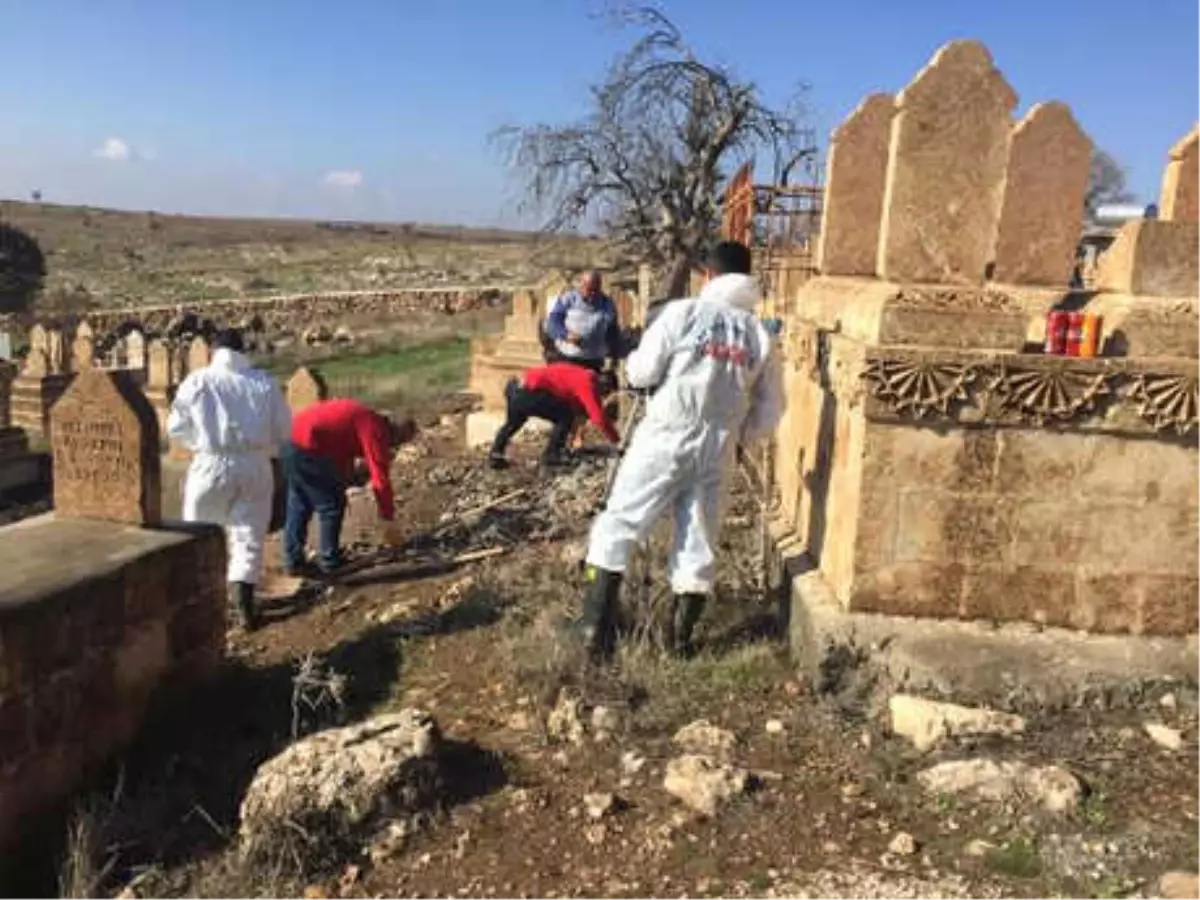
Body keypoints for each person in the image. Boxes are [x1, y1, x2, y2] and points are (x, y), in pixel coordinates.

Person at [579, 240, 785, 662]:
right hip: (719, 446)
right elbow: (771, 408)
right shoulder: (759, 335)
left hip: (666, 434)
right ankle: (679, 644)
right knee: (698, 541)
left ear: (708, 275)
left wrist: (641, 369)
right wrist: (743, 439)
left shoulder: (685, 313)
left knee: (619, 523)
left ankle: (592, 632)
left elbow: (641, 371)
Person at [167, 328, 292, 631]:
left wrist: (203, 443)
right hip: (254, 464)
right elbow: (284, 429)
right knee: (248, 537)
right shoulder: (264, 382)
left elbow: (176, 427)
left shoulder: (198, 381)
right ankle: (244, 604)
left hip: (210, 462)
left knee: (198, 533)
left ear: (213, 350)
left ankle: (198, 608)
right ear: (243, 351)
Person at [282, 397, 416, 578]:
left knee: (299, 502)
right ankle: (330, 561)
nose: (394, 447)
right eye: (399, 442)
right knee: (331, 505)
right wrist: (388, 519)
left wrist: (343, 481)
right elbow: (380, 478)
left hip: (290, 440)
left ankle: (293, 560)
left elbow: (340, 450)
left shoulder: (363, 419)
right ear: (396, 432)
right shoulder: (375, 430)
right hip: (308, 446)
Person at [488, 363, 620, 469]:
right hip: (530, 392)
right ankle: (552, 454)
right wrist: (617, 440)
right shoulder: (587, 383)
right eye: (606, 392)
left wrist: (575, 435)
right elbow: (598, 418)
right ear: (603, 384)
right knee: (564, 416)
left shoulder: (578, 374)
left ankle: (495, 454)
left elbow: (578, 411)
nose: (604, 396)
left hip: (515, 388)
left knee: (513, 423)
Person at [543, 271, 621, 371]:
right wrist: (566, 335)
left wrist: (614, 354)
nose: (593, 294)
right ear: (581, 286)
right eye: (589, 290)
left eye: (596, 290)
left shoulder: (607, 304)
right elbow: (552, 323)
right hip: (567, 357)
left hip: (593, 360)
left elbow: (612, 331)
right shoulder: (569, 299)